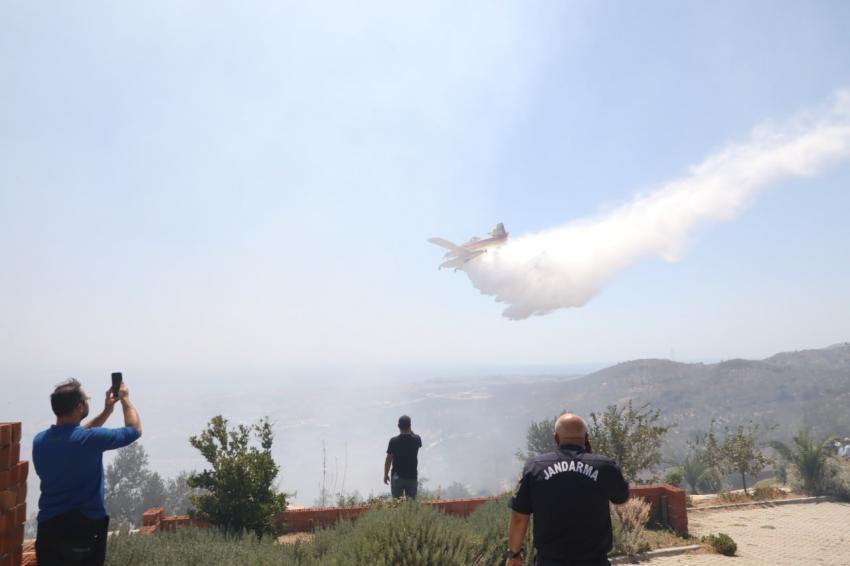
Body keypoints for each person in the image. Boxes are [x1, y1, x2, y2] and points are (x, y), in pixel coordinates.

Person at [33, 378, 142, 566]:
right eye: (85, 401)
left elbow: (74, 436)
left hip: (48, 531)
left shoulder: (40, 441)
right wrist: (125, 399)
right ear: (79, 407)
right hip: (84, 531)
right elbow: (134, 430)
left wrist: (106, 412)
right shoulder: (89, 441)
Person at [506, 413, 629, 566]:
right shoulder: (605, 466)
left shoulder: (535, 467)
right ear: (586, 438)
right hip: (594, 562)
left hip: (550, 562)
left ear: (556, 438)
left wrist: (514, 554)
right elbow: (621, 498)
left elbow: (519, 517)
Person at [383, 414, 422, 500]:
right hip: (412, 477)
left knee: (396, 505)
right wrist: (409, 429)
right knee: (411, 506)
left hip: (397, 477)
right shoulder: (416, 440)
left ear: (398, 426)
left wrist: (385, 474)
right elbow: (415, 436)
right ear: (410, 426)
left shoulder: (393, 441)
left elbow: (388, 459)